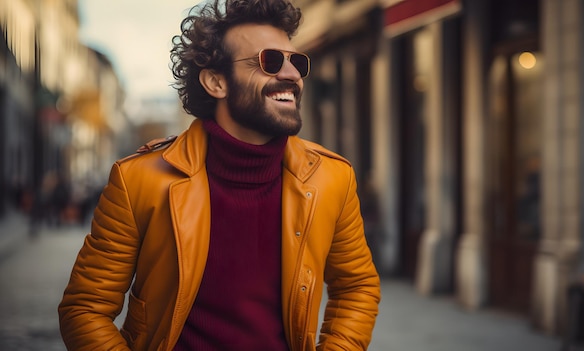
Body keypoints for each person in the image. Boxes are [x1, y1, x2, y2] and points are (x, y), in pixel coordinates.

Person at [58, 0, 381, 350]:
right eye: (270, 61)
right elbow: (85, 308)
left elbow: (357, 287)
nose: (291, 75)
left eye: (295, 62)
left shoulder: (332, 178)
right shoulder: (138, 181)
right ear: (216, 82)